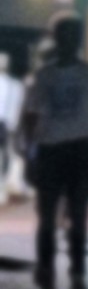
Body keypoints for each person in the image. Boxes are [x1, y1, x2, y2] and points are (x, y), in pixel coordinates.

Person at [22, 13, 88, 289]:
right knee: (47, 216)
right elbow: (30, 115)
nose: (69, 42)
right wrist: (29, 152)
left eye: (74, 36)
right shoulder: (44, 75)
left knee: (78, 215)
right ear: (56, 39)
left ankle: (76, 271)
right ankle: (47, 269)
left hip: (79, 149)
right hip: (50, 149)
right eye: (64, 36)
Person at [0, 52, 25, 200]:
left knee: (6, 154)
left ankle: (3, 185)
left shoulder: (14, 85)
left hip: (5, 123)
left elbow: (16, 105)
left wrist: (13, 125)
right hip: (6, 123)